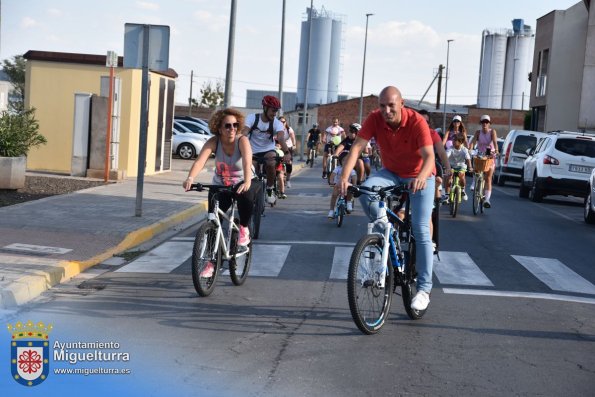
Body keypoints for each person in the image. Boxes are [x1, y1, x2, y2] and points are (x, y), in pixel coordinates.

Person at [340, 86, 435, 311]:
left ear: (402, 103)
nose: (386, 110)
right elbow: (356, 148)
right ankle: (385, 227)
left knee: (421, 228)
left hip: (420, 175)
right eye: (382, 105)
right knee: (366, 189)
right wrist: (344, 178)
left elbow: (429, 156)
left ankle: (424, 289)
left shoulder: (417, 121)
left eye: (391, 105)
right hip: (391, 173)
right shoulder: (374, 119)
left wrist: (422, 176)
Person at [183, 108, 260, 262]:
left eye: (235, 125)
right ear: (219, 128)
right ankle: (211, 263)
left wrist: (246, 181)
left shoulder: (242, 140)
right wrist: (190, 178)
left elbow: (247, 160)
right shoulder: (213, 142)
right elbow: (200, 161)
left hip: (243, 181)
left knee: (246, 195)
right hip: (221, 184)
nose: (232, 129)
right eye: (227, 126)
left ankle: (244, 228)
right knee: (213, 221)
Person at [242, 95, 290, 205]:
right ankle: (250, 191)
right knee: (251, 169)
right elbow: (244, 133)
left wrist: (287, 153)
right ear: (265, 108)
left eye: (276, 111)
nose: (274, 113)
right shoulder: (252, 118)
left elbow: (281, 138)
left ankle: (270, 188)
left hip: (268, 149)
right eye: (273, 110)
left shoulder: (277, 123)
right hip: (252, 150)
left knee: (271, 162)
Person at [469, 114, 499, 208]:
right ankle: (474, 182)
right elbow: (473, 142)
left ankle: (487, 199)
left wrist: (496, 151)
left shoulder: (492, 132)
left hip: (490, 156)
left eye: (486, 122)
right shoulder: (478, 132)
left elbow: (495, 142)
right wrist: (470, 149)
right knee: (476, 167)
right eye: (483, 122)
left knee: (488, 178)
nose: (485, 124)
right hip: (480, 155)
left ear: (489, 123)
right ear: (481, 123)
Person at [444, 134, 472, 202]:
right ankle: (447, 196)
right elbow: (446, 156)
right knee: (449, 178)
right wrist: (445, 165)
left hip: (461, 166)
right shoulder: (450, 148)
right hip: (451, 166)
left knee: (461, 176)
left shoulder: (464, 149)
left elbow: (468, 159)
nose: (453, 141)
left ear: (461, 142)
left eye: (455, 140)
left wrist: (470, 167)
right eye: (453, 140)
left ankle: (462, 190)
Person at [278, 116, 296, 188]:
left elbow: (292, 137)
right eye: (280, 122)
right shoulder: (276, 129)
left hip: (288, 147)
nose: (282, 123)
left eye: (283, 122)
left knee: (289, 163)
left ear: (286, 122)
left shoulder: (289, 129)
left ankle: (288, 180)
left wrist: (294, 144)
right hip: (278, 148)